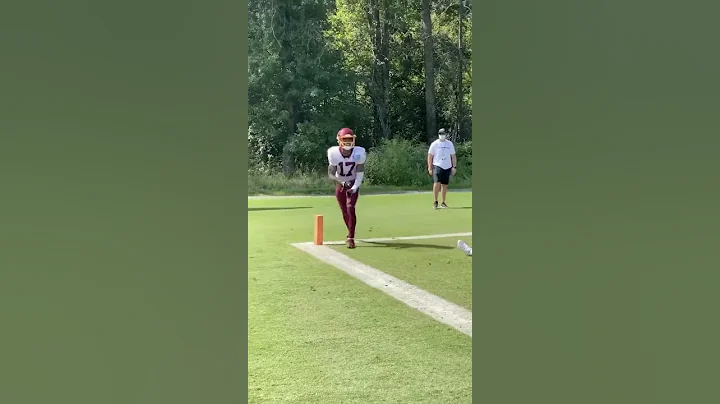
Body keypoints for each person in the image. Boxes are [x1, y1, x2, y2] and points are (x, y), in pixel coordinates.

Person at [327, 128, 367, 249]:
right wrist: (342, 182)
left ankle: (351, 238)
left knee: (350, 207)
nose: (348, 142)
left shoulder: (359, 152)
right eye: (345, 139)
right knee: (344, 209)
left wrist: (354, 187)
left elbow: (360, 172)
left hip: (353, 180)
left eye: (350, 139)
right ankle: (350, 232)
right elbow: (331, 175)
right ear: (339, 140)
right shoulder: (333, 153)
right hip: (340, 182)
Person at [427, 128, 457, 209]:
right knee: (437, 183)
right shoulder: (435, 144)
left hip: (447, 166)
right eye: (441, 134)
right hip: (437, 165)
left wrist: (454, 167)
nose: (442, 135)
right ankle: (435, 201)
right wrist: (429, 167)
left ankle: (443, 202)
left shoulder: (449, 144)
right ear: (438, 134)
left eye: (443, 134)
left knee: (444, 185)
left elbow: (453, 156)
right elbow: (430, 156)